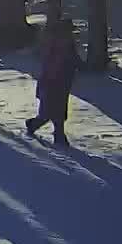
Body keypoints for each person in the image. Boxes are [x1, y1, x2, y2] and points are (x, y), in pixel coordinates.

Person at [26, 19, 82, 148]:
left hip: (62, 82)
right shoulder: (56, 44)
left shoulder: (67, 44)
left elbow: (74, 60)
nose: (70, 34)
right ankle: (36, 125)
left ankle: (58, 135)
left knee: (59, 110)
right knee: (48, 112)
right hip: (52, 82)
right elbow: (51, 64)